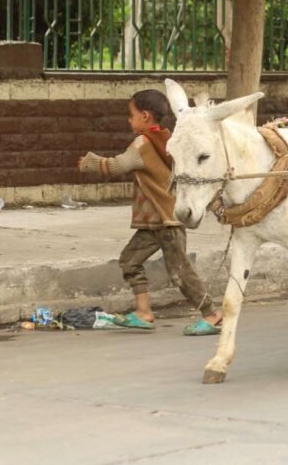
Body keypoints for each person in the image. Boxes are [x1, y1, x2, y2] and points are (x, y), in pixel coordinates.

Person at [78, 89, 223, 335]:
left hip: (167, 220)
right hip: (154, 221)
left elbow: (118, 165)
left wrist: (89, 162)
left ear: (145, 116)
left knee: (179, 271)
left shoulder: (143, 143)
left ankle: (212, 314)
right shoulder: (165, 137)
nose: (129, 120)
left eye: (131, 114)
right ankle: (143, 312)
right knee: (129, 261)